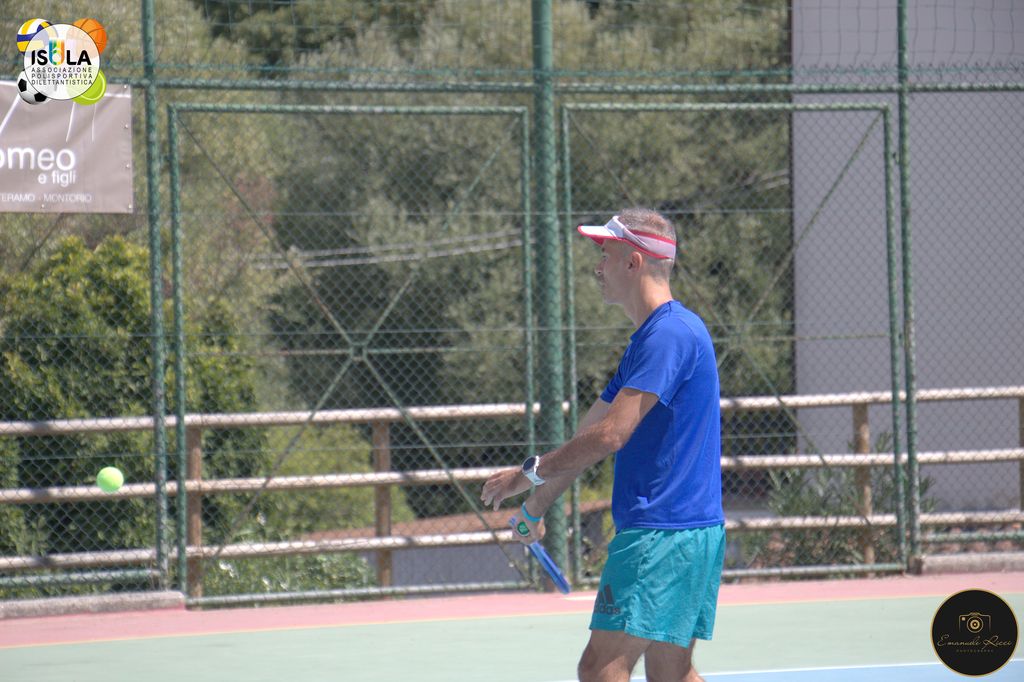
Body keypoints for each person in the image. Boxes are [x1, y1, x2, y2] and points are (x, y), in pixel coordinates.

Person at [481, 208, 725, 682]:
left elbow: (612, 435)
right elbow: (588, 437)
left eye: (606, 255)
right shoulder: (653, 339)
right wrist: (536, 505)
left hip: (661, 535)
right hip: (685, 532)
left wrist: (527, 474)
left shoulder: (669, 335)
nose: (598, 267)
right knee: (671, 673)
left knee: (600, 669)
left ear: (634, 262)